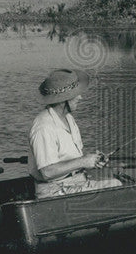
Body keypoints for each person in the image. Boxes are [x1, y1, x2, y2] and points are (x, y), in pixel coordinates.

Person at [28, 68, 122, 199]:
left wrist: (92, 160)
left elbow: (71, 160)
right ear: (63, 100)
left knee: (116, 181)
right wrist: (83, 161)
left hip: (76, 182)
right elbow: (47, 172)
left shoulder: (68, 118)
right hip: (54, 191)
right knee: (115, 185)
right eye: (76, 94)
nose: (80, 97)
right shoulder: (43, 127)